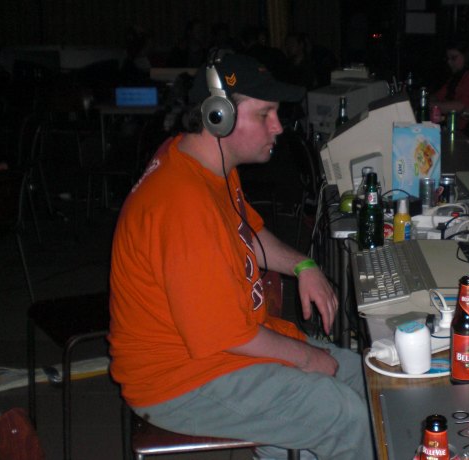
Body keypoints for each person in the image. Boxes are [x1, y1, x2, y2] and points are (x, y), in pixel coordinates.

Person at [108, 52, 373, 460]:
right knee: (345, 414)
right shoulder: (182, 205)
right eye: (265, 114)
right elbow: (227, 335)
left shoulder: (206, 164)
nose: (278, 126)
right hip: (179, 380)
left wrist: (304, 265)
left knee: (365, 377)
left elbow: (247, 232)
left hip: (222, 350)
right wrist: (307, 357)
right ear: (219, 117)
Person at [431, 41, 469, 129]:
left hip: (468, 132)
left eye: (453, 58)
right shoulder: (459, 75)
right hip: (454, 128)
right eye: (447, 58)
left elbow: (462, 106)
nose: (449, 62)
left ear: (467, 56)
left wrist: (430, 105)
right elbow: (438, 96)